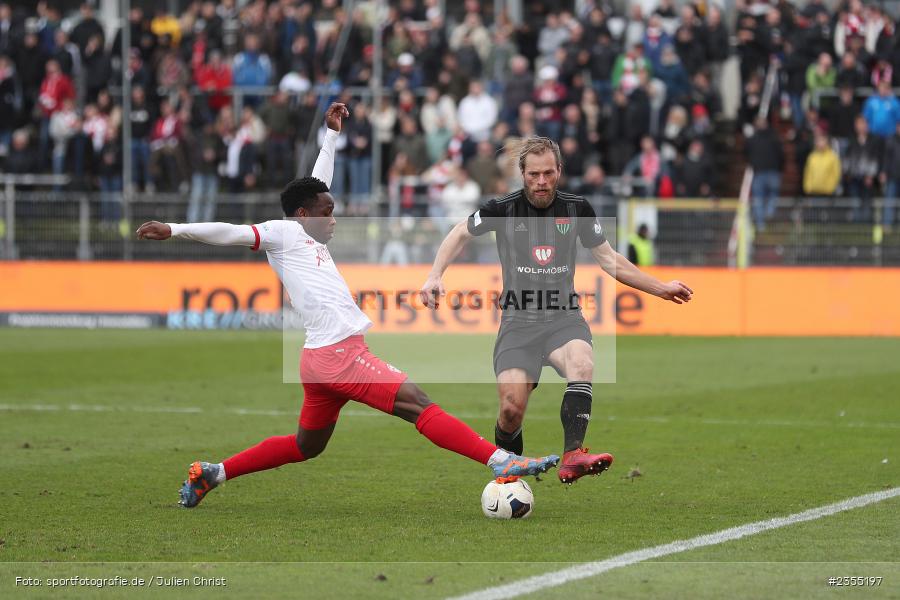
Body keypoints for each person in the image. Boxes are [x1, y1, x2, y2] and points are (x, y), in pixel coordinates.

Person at [136, 104, 559, 508]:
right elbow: (229, 232)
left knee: (307, 446)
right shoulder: (283, 234)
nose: (334, 218)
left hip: (321, 358)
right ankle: (500, 460)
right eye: (328, 213)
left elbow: (320, 181)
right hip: (340, 355)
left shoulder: (307, 230)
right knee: (418, 403)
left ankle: (214, 473)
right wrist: (174, 228)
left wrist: (332, 136)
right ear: (302, 215)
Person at [420, 137, 693, 484]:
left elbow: (611, 261)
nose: (542, 181)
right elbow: (460, 232)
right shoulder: (502, 209)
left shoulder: (577, 208)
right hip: (518, 323)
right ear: (522, 173)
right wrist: (435, 274)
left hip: (563, 317)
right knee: (510, 411)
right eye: (534, 174)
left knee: (582, 363)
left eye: (549, 173)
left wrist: (661, 288)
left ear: (559, 171)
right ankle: (510, 474)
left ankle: (574, 454)